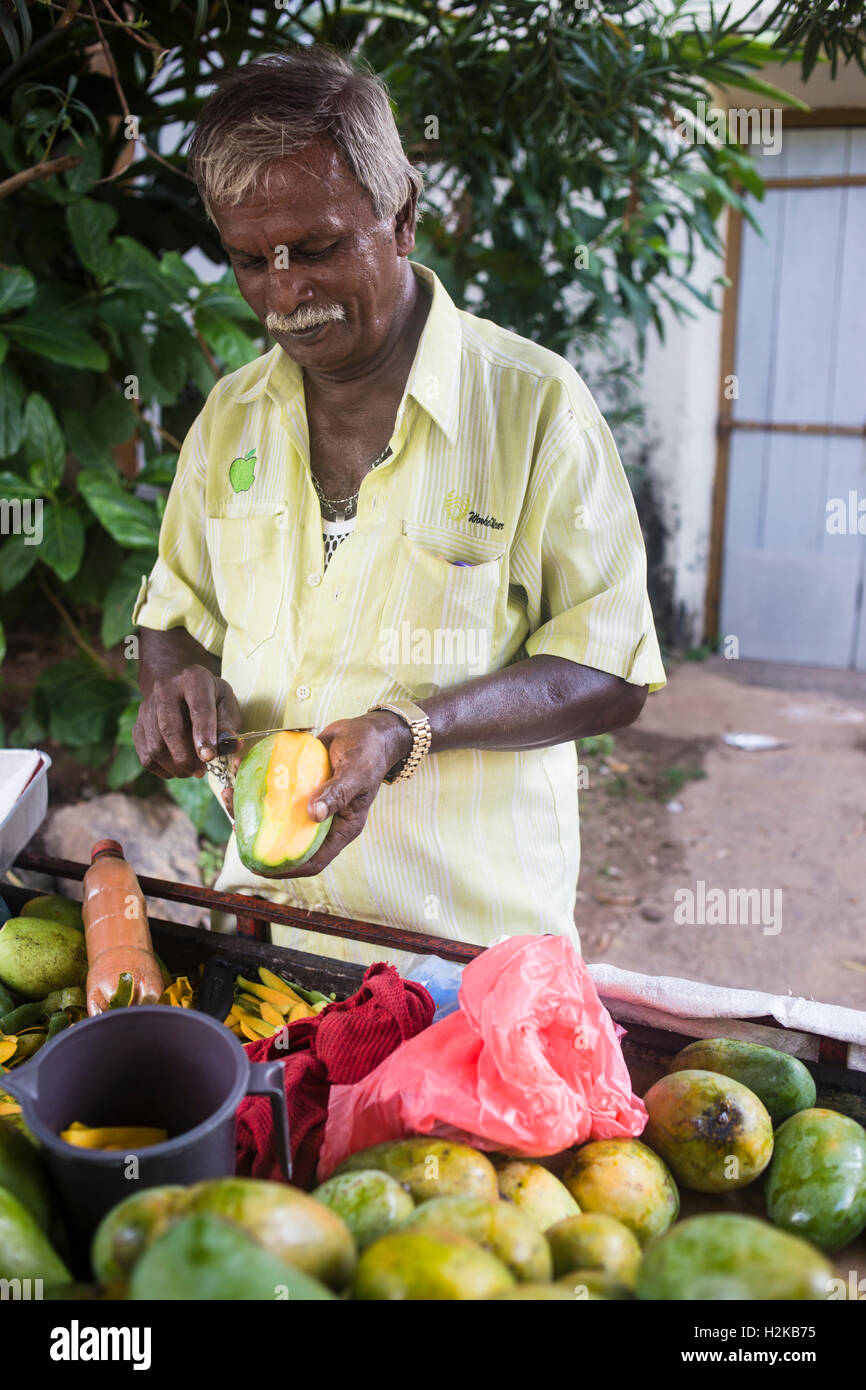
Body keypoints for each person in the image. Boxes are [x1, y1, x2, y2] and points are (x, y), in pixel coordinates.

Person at [132, 49, 666, 968]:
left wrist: (406, 730)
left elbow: (610, 670)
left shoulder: (533, 406)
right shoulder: (230, 420)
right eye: (252, 261)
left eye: (322, 247)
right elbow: (174, 617)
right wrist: (173, 682)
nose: (286, 294)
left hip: (466, 963)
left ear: (404, 216)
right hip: (272, 935)